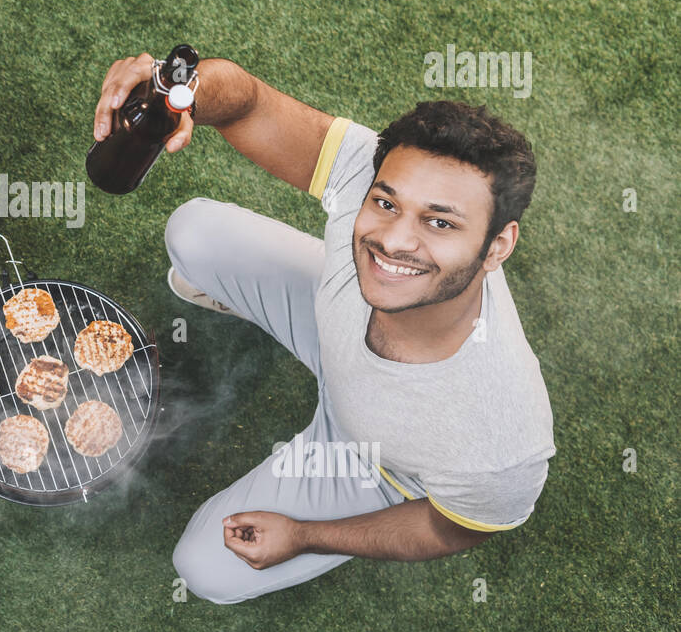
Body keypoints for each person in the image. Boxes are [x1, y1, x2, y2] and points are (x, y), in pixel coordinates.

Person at [93, 53, 554, 602]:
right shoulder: (375, 182)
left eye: (440, 222)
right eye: (385, 203)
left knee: (203, 568)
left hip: (377, 460)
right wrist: (180, 91)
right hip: (334, 319)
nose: (395, 241)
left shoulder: (502, 440)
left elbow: (453, 527)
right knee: (193, 232)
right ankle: (258, 307)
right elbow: (248, 104)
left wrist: (307, 536)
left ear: (497, 245)